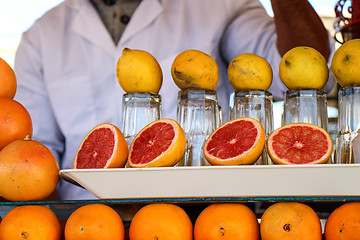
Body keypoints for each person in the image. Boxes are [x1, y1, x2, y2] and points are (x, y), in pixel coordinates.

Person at [14, 0, 335, 200]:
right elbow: (33, 158)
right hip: (86, 224)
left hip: (203, 220)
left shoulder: (220, 4)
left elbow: (299, 73)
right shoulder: (40, 37)